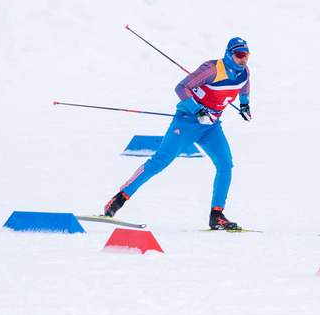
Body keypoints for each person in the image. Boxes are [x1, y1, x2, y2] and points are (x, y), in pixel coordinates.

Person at [103, 37, 252, 230]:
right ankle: (119, 199)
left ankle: (217, 214)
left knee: (225, 165)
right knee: (159, 162)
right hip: (187, 121)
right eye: (239, 55)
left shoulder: (244, 72)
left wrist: (245, 105)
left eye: (246, 55)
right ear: (229, 54)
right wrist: (198, 110)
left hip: (211, 127)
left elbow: (244, 87)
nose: (243, 59)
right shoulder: (212, 69)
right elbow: (181, 87)